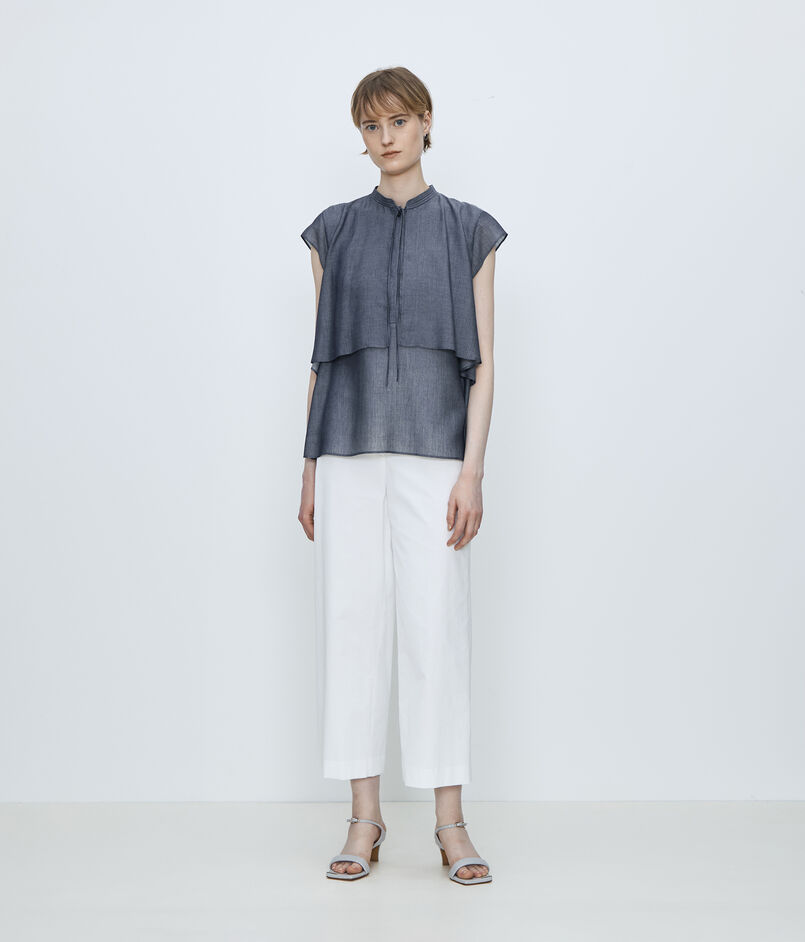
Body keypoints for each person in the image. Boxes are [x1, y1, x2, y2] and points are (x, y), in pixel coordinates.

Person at [297, 66, 507, 885]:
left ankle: (451, 825)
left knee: (436, 627)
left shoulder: (470, 231)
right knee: (351, 624)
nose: (383, 137)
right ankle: (364, 817)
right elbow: (321, 361)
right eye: (369, 125)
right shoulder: (330, 232)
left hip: (436, 455)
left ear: (424, 122)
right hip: (346, 454)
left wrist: (472, 472)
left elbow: (483, 365)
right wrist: (308, 467)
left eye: (396, 121)